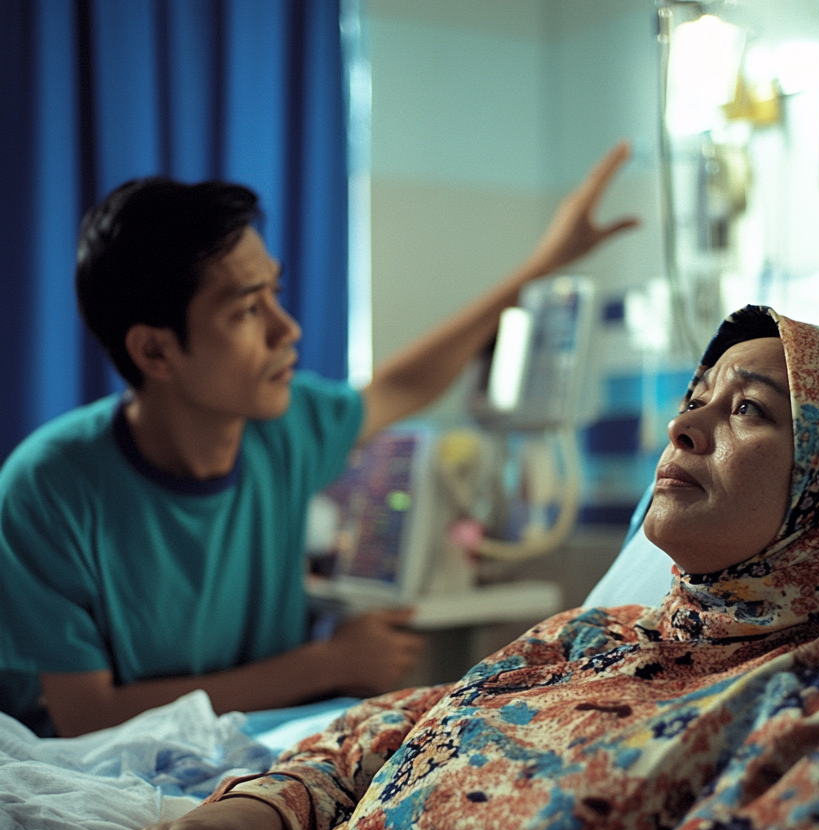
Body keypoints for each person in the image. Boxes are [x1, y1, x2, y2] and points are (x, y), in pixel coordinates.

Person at [9, 307, 819, 830]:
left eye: (751, 413)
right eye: (693, 401)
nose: (684, 427)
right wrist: (248, 815)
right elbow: (378, 730)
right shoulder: (588, 638)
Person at [0, 143, 639, 738]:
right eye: (248, 310)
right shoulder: (49, 487)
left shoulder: (286, 426)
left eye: (273, 294)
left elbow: (405, 383)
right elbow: (87, 717)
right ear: (155, 349)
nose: (288, 329)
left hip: (250, 748)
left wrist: (543, 263)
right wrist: (323, 664)